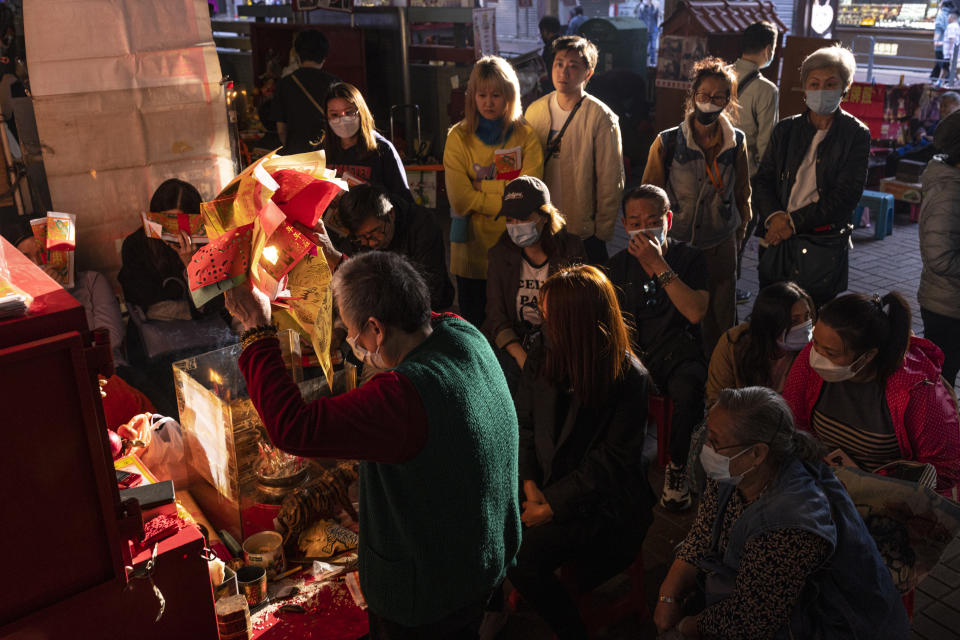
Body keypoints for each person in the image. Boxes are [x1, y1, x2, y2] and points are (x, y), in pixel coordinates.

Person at [225, 250, 521, 636]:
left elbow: (292, 428)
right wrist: (345, 270)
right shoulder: (460, 330)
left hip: (430, 594)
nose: (351, 341)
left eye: (351, 330)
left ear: (376, 330)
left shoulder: (403, 396)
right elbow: (392, 296)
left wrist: (255, 327)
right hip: (483, 556)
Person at [654, 387, 909, 639]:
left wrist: (685, 627)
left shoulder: (791, 522)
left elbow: (751, 619)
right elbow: (704, 531)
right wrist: (668, 593)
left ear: (757, 453)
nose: (706, 448)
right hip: (759, 603)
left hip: (835, 624)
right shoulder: (733, 470)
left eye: (714, 441)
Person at [509, 264, 654, 640]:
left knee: (521, 558)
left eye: (550, 314)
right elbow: (523, 420)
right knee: (486, 525)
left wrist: (551, 504)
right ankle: (495, 607)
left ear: (577, 321)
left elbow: (612, 464)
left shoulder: (628, 378)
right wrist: (528, 484)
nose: (542, 321)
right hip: (542, 484)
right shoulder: (544, 350)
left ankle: (572, 631)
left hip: (603, 506)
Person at [782, 292, 960, 496]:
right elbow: (793, 422)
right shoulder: (811, 356)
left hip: (887, 500)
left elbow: (945, 471)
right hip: (820, 485)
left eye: (831, 353)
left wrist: (874, 486)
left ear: (868, 356)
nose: (817, 356)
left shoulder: (917, 391)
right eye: (816, 343)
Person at [606, 185, 709, 511]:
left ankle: (677, 467)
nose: (643, 229)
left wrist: (657, 263)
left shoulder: (690, 258)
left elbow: (695, 311)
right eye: (635, 222)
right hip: (636, 351)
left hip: (678, 350)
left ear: (668, 219)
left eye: (651, 220)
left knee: (690, 386)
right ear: (625, 226)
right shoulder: (618, 265)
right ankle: (616, 467)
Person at [642, 57, 751, 358]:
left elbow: (743, 193)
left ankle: (716, 379)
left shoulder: (737, 142)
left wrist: (739, 237)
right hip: (678, 246)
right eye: (703, 95)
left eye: (718, 97)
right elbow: (649, 196)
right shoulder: (668, 142)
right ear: (692, 96)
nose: (709, 102)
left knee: (720, 318)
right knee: (678, 315)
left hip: (720, 245)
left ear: (728, 101)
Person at [753, 45, 870, 306]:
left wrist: (791, 223)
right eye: (814, 83)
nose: (821, 90)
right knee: (771, 315)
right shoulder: (786, 129)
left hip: (821, 243)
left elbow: (846, 195)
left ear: (844, 88)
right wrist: (774, 218)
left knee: (812, 317)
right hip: (776, 236)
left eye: (831, 84)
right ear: (804, 88)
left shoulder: (855, 134)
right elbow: (764, 179)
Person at [443, 55, 544, 328]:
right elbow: (460, 200)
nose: (488, 102)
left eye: (496, 95)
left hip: (514, 248)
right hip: (471, 254)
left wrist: (482, 187)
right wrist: (506, 196)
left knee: (512, 327)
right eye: (482, 94)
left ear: (509, 96)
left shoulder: (525, 135)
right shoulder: (458, 137)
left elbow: (528, 195)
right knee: (474, 330)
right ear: (472, 97)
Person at [525, 36, 625, 265]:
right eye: (559, 64)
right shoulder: (535, 111)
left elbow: (611, 180)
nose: (564, 72)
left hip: (581, 229)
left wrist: (602, 232)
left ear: (588, 73)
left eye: (573, 66)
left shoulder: (601, 117)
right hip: (542, 224)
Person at [483, 176, 584, 391]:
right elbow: (495, 313)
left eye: (522, 218)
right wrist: (521, 355)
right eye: (509, 219)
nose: (515, 226)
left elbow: (577, 309)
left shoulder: (571, 250)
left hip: (558, 341)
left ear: (544, 216)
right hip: (513, 342)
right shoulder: (500, 254)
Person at [118, 179, 223, 321]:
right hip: (161, 333)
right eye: (168, 223)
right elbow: (141, 301)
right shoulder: (136, 244)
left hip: (209, 329)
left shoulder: (208, 242)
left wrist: (192, 265)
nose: (176, 232)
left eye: (183, 223)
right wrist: (191, 311)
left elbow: (213, 304)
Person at [336, 183, 454, 310]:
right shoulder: (356, 237)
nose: (372, 243)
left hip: (428, 310)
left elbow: (429, 291)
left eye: (376, 231)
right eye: (362, 238)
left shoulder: (423, 226)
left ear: (391, 213)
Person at [708, 281, 815, 404]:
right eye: (794, 321)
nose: (804, 327)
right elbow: (717, 399)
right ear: (771, 323)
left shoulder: (814, 350)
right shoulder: (733, 345)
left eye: (807, 317)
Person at [919, 110, 960, 388]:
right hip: (946, 307)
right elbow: (938, 256)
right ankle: (935, 428)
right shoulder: (950, 192)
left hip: (951, 302)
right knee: (940, 381)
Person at [322, 82, 412, 203]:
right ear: (327, 117)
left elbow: (404, 201)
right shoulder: (322, 150)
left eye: (348, 112)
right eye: (334, 114)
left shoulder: (382, 150)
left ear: (361, 112)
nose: (342, 119)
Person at [272, 29, 340, 155]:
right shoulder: (336, 84)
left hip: (295, 153)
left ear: (297, 54)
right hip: (328, 153)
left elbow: (281, 129)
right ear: (325, 56)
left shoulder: (285, 83)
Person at [733, 22, 779, 179]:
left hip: (709, 166)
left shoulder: (718, 75)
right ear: (768, 50)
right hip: (743, 171)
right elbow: (766, 143)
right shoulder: (767, 89)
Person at [538, 16, 563, 93]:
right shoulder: (563, 42)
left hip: (552, 88)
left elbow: (547, 69)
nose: (541, 35)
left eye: (541, 32)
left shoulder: (550, 46)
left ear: (545, 31)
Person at [932, 1, 956, 83]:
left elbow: (938, 28)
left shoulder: (941, 14)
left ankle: (946, 82)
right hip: (951, 46)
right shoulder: (954, 15)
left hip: (941, 45)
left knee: (945, 66)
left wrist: (935, 40)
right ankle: (934, 78)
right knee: (944, 65)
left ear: (943, 4)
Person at [635, 0, 661, 67]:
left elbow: (658, 18)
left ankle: (653, 62)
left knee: (653, 46)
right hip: (645, 30)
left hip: (653, 30)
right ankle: (643, 61)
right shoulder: (642, 8)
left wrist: (657, 28)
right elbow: (639, 19)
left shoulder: (655, 7)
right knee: (644, 46)